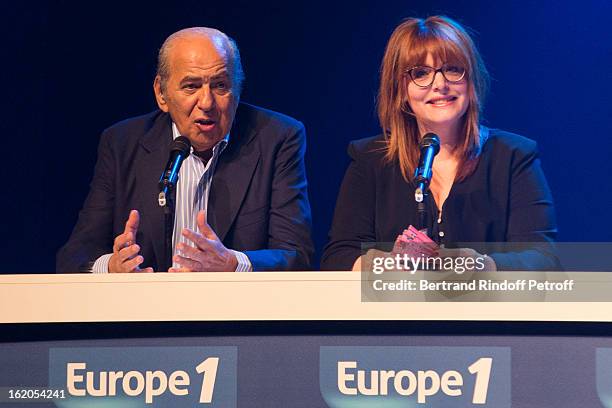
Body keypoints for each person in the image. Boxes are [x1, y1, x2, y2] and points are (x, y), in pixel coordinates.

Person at [57, 27, 313, 273]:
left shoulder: (278, 138)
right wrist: (113, 266)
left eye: (220, 85)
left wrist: (233, 263)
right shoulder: (122, 143)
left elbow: (295, 255)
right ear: (161, 94)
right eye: (191, 86)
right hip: (147, 312)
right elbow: (75, 257)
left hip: (237, 312)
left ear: (238, 88)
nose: (207, 102)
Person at [321, 16, 558, 271]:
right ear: (400, 89)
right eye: (421, 73)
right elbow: (338, 257)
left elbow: (543, 260)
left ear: (471, 81)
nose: (440, 84)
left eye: (453, 69)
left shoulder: (513, 156)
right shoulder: (370, 159)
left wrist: (479, 265)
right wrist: (387, 264)